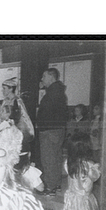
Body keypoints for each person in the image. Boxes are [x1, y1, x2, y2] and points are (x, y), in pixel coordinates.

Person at [63, 132, 101, 210]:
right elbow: (95, 177)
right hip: (84, 198)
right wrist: (97, 167)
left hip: (72, 195)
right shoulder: (89, 165)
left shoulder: (68, 162)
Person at [36, 68, 68, 196]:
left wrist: (41, 125)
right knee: (56, 157)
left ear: (51, 77)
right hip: (58, 129)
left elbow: (46, 113)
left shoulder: (52, 93)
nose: (42, 79)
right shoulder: (58, 91)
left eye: (44, 76)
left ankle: (50, 187)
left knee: (48, 159)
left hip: (49, 131)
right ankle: (56, 184)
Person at [0, 77, 34, 151]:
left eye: (4, 88)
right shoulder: (5, 100)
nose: (2, 90)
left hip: (16, 131)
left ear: (11, 89)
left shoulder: (17, 101)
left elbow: (24, 116)